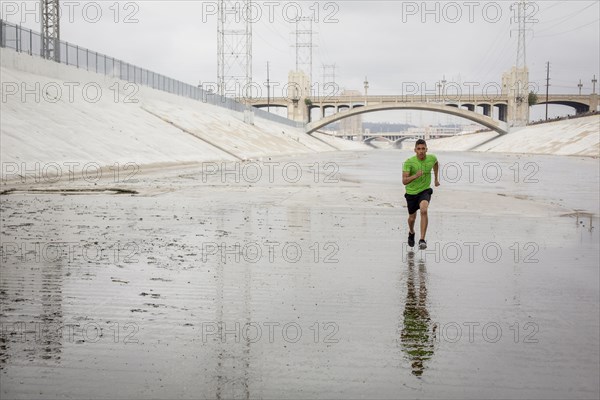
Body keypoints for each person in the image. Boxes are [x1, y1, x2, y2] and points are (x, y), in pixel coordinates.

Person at [402, 139, 439, 249]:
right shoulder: (409, 162)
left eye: (423, 149)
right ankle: (412, 232)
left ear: (426, 149)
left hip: (425, 190)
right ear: (415, 150)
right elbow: (404, 181)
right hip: (411, 192)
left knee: (424, 210)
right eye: (419, 149)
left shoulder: (432, 158)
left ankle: (422, 240)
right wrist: (415, 176)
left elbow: (436, 163)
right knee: (412, 218)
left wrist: (436, 179)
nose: (421, 151)